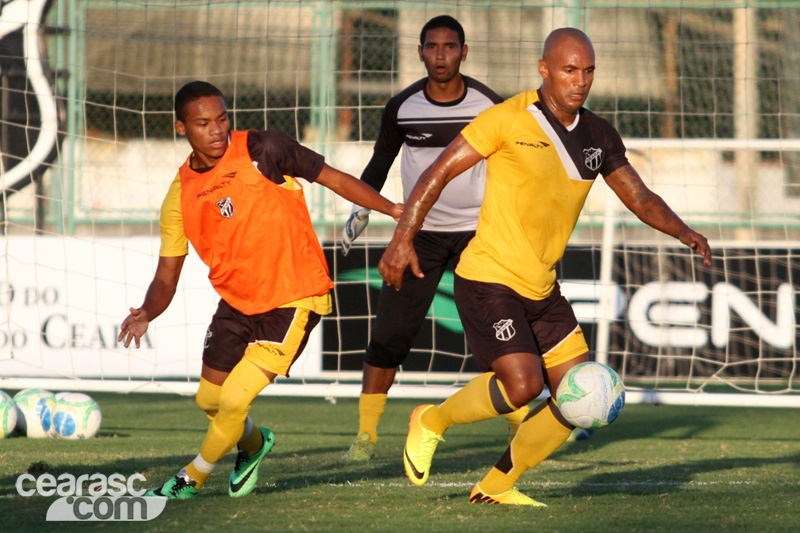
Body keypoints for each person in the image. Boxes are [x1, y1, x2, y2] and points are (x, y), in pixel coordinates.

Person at [379, 28, 712, 505]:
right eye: (569, 70)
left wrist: (683, 231)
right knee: (523, 385)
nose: (580, 81)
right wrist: (402, 238)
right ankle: (432, 420)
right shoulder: (506, 118)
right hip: (488, 276)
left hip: (542, 289)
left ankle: (496, 487)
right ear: (544, 69)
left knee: (582, 401)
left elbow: (638, 196)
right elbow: (438, 173)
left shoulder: (598, 135)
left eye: (588, 71)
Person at [118, 80, 402, 500]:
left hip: (293, 295)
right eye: (202, 123)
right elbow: (166, 275)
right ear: (181, 128)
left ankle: (190, 478)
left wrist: (393, 209)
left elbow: (334, 179)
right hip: (236, 303)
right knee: (209, 401)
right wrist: (146, 311)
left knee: (233, 401)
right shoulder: (180, 195)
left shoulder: (262, 149)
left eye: (221, 119)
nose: (216, 130)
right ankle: (254, 445)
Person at [340, 15, 528, 461]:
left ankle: (519, 427)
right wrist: (361, 210)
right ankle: (366, 437)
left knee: (496, 333)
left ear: (464, 52)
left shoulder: (490, 105)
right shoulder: (402, 108)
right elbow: (379, 163)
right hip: (418, 237)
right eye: (432, 46)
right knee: (389, 334)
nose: (440, 54)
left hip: (479, 238)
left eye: (449, 46)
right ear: (420, 52)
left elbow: (515, 166)